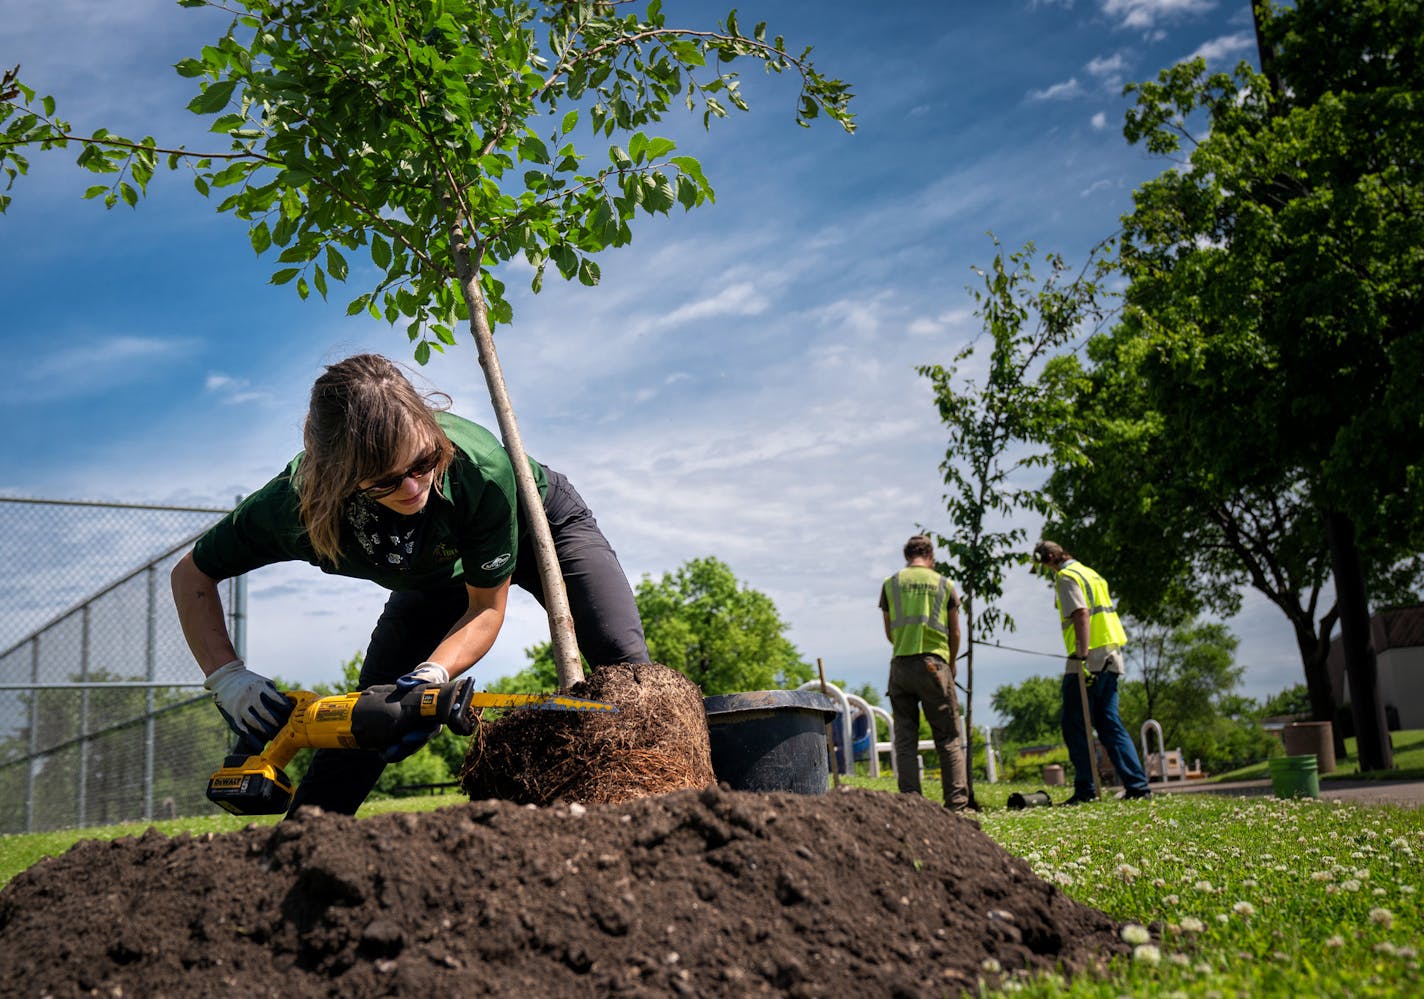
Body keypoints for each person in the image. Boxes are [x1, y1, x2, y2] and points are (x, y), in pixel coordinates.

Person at [171, 353, 650, 815]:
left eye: (423, 462)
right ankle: (299, 849)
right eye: (384, 481)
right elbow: (192, 574)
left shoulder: (476, 469)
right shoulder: (291, 509)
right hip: (430, 572)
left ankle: (670, 805)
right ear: (336, 478)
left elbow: (486, 607)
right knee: (367, 723)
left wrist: (433, 673)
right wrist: (227, 677)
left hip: (538, 522)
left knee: (629, 670)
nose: (413, 488)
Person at [1031, 540, 1150, 803]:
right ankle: (1138, 787)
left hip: (1089, 658)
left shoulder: (1066, 576)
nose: (1046, 570)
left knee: (1074, 724)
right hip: (1112, 655)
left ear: (1049, 557)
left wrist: (1081, 655)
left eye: (1044, 564)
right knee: (1109, 723)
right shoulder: (1091, 573)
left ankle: (1086, 790)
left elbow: (1081, 613)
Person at [878, 534, 970, 812]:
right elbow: (955, 631)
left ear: (907, 555)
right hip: (934, 664)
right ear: (931, 557)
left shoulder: (890, 584)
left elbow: (889, 631)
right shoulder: (944, 584)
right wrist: (950, 662)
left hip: (900, 666)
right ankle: (956, 804)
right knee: (948, 738)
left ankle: (912, 804)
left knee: (905, 740)